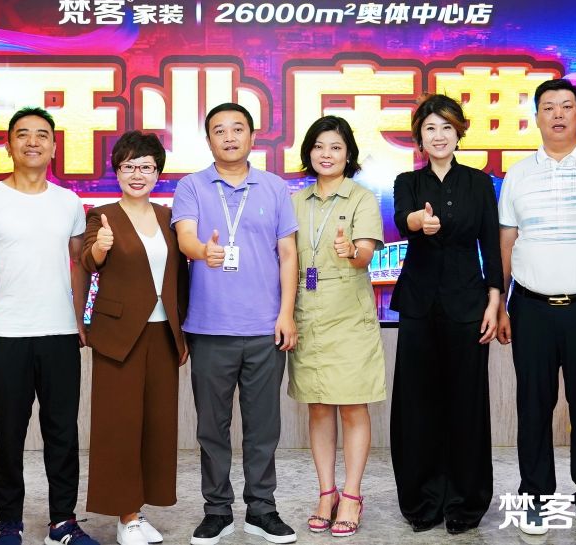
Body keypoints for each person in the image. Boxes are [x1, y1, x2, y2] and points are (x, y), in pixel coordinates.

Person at [0, 106, 98, 545]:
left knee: (63, 432)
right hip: (9, 334)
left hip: (60, 333)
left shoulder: (68, 202)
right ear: (9, 146)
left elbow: (80, 264)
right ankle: (10, 523)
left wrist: (81, 318)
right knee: (9, 432)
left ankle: (63, 523)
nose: (32, 142)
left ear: (54, 146)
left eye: (42, 135)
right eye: (23, 134)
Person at [496, 78, 576, 537]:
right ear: (536, 117)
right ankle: (535, 497)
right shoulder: (518, 174)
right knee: (533, 405)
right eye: (548, 107)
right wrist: (501, 302)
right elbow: (507, 240)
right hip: (531, 308)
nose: (557, 114)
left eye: (566, 106)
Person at [172, 103, 300, 545]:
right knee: (212, 428)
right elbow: (185, 237)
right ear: (208, 139)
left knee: (264, 427)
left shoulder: (275, 187)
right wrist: (201, 251)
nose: (229, 137)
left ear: (252, 136)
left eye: (238, 129)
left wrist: (286, 313)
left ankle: (262, 509)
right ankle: (217, 510)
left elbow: (288, 254)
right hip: (209, 329)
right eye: (219, 130)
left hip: (265, 329)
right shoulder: (191, 186)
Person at [389, 94, 502, 535]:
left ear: (459, 133)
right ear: (419, 137)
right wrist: (420, 222)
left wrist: (495, 300)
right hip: (419, 304)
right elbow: (404, 219)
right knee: (417, 404)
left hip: (468, 304)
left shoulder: (479, 183)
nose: (439, 136)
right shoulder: (407, 181)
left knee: (466, 404)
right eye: (430, 128)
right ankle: (422, 500)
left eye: (447, 128)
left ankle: (465, 502)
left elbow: (491, 243)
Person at [80, 131, 189, 545]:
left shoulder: (169, 217)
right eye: (129, 166)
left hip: (164, 334)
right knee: (120, 427)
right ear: (117, 171)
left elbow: (181, 277)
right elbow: (88, 260)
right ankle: (125, 517)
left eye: (146, 166)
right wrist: (101, 248)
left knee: (157, 427)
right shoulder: (102, 215)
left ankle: (139, 512)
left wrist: (183, 334)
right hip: (119, 336)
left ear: (158, 172)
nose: (138, 174)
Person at [288, 116, 386, 539]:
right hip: (307, 310)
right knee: (318, 405)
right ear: (309, 152)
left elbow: (364, 255)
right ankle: (326, 493)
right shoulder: (296, 201)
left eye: (336, 147)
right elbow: (285, 257)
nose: (326, 154)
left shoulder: (361, 198)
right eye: (319, 146)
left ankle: (352, 495)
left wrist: (351, 250)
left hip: (348, 313)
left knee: (352, 405)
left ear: (349, 155)